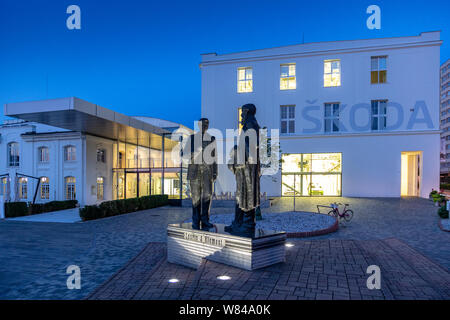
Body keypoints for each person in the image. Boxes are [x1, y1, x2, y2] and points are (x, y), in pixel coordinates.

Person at [225, 104, 260, 234]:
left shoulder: (251, 125)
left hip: (247, 168)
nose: (240, 116)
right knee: (240, 196)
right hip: (244, 167)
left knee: (247, 195)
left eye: (242, 113)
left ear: (246, 112)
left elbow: (251, 147)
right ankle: (238, 223)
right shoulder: (248, 126)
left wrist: (239, 158)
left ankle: (247, 224)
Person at [185, 118, 218, 230]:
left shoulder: (212, 139)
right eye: (203, 124)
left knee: (207, 197)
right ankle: (195, 220)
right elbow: (184, 154)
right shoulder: (192, 138)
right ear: (199, 125)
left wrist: (215, 173)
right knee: (196, 198)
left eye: (207, 124)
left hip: (207, 173)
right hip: (195, 172)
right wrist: (195, 152)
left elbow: (214, 157)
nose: (205, 126)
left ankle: (205, 220)